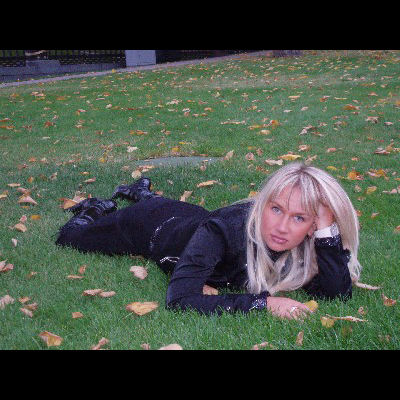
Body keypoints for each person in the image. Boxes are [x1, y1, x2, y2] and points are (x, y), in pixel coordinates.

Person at [55, 162, 362, 319]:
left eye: (299, 218)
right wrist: (263, 303)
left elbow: (336, 294)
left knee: (164, 207)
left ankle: (141, 192)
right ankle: (95, 208)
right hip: (148, 227)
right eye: (277, 209)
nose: (282, 227)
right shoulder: (224, 230)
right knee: (69, 238)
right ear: (263, 203)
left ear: (311, 226)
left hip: (188, 216)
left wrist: (326, 230)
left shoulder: (305, 242)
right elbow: (180, 299)